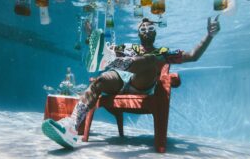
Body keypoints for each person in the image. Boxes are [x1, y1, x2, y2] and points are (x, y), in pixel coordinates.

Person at [41, 16, 221, 148]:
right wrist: (91, 35)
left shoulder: (163, 51)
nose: (147, 31)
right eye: (143, 28)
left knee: (152, 59)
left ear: (155, 32)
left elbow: (193, 56)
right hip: (121, 82)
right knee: (100, 81)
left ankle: (112, 61)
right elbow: (102, 48)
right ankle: (71, 126)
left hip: (143, 85)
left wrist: (209, 36)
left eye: (150, 28)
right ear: (138, 33)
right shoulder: (128, 47)